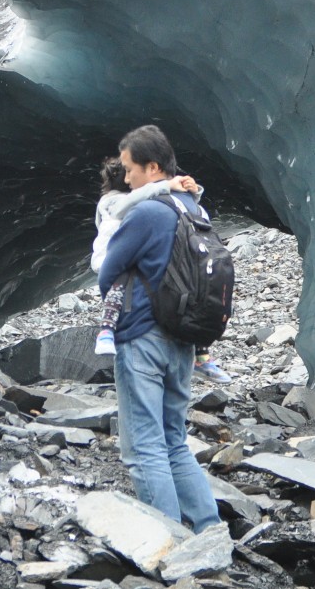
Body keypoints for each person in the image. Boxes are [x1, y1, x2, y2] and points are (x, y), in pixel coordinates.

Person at [98, 124, 223, 531]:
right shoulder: (193, 208)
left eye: (131, 169)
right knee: (175, 440)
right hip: (184, 339)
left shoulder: (148, 212)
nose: (126, 177)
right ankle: (209, 531)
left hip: (143, 338)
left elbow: (107, 271)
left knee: (144, 447)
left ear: (152, 168)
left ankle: (169, 545)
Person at [90, 155, 197, 355]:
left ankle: (199, 350)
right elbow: (142, 200)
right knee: (119, 286)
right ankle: (106, 330)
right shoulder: (117, 202)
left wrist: (193, 193)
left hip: (115, 253)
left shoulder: (115, 201)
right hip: (110, 256)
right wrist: (166, 185)